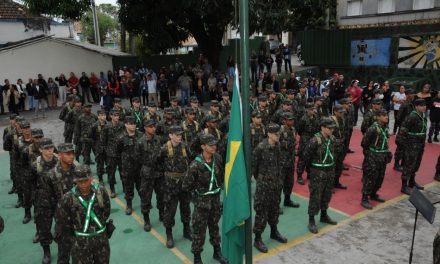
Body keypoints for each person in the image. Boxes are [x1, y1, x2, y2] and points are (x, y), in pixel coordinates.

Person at [183, 134, 228, 264]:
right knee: (199, 232)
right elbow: (186, 186)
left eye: (215, 144)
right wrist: (197, 199)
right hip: (201, 205)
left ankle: (217, 252)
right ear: (203, 147)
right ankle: (197, 258)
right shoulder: (195, 165)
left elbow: (222, 176)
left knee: (215, 228)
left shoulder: (218, 158)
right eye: (211, 145)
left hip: (215, 201)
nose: (214, 147)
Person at [55, 164, 111, 264]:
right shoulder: (68, 198)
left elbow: (106, 211)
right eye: (80, 181)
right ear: (75, 181)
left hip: (101, 241)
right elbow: (63, 222)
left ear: (91, 178)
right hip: (80, 244)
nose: (83, 184)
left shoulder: (100, 191)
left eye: (86, 180)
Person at [252, 123, 287, 253]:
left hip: (276, 185)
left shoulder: (278, 146)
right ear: (269, 134)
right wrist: (262, 180)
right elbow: (253, 168)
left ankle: (274, 231)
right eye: (276, 134)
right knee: (261, 212)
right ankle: (258, 238)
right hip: (264, 186)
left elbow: (279, 164)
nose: (279, 136)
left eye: (279, 134)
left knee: (274, 209)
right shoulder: (260, 148)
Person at [158, 125, 192, 248]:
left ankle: (187, 230)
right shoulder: (164, 149)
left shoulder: (185, 147)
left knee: (186, 208)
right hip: (170, 186)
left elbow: (191, 159)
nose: (180, 137)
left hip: (184, 184)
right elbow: (158, 162)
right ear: (170, 135)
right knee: (170, 211)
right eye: (177, 135)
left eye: (181, 135)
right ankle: (169, 235)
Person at [304, 118, 338, 234]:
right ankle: (311, 220)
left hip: (329, 170)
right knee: (316, 196)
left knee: (326, 194)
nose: (332, 130)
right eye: (329, 128)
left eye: (332, 128)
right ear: (322, 128)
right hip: (318, 172)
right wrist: (313, 171)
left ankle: (324, 215)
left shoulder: (332, 139)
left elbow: (334, 153)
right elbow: (306, 156)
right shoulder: (315, 140)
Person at [45, 143, 77, 264]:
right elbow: (48, 202)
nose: (71, 156)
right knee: (64, 256)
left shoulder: (79, 172)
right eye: (67, 154)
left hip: (81, 220)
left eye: (72, 153)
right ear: (59, 155)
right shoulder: (51, 176)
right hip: (63, 224)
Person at [32, 138, 58, 264]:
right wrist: (35, 202)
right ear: (40, 149)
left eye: (51, 148)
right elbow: (30, 184)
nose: (50, 150)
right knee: (44, 228)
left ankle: (64, 247)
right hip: (43, 202)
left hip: (60, 200)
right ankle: (46, 252)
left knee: (64, 226)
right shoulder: (35, 165)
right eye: (46, 148)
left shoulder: (60, 162)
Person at [360, 110, 392, 209]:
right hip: (373, 157)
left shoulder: (385, 128)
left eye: (387, 115)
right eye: (384, 115)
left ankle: (373, 194)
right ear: (378, 117)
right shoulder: (373, 128)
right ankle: (364, 198)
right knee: (370, 177)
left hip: (382, 157)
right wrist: (370, 154)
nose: (386, 117)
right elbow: (364, 143)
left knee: (380, 177)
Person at [137, 119, 164, 231]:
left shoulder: (159, 139)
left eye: (154, 126)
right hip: (147, 174)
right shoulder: (140, 142)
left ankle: (162, 214)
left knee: (162, 196)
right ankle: (146, 219)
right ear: (145, 128)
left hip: (159, 173)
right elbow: (137, 158)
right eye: (150, 126)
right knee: (145, 197)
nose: (153, 128)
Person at [399, 99, 428, 195]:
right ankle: (404, 186)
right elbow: (403, 130)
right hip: (412, 143)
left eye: (425, 105)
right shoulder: (412, 116)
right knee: (409, 164)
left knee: (416, 163)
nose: (424, 107)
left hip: (420, 143)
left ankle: (412, 182)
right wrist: (406, 143)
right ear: (416, 106)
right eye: (422, 105)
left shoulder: (423, 115)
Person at [117, 116, 143, 215]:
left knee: (142, 187)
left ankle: (144, 202)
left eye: (134, 123)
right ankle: (129, 205)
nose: (133, 125)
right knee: (128, 187)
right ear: (126, 125)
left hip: (139, 167)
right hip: (127, 168)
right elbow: (118, 151)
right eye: (130, 123)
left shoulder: (140, 135)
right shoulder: (121, 137)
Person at [279, 112, 300, 208]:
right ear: (284, 120)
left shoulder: (293, 129)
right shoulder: (280, 130)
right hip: (282, 161)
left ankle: (287, 200)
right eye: (289, 120)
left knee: (289, 182)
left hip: (290, 160)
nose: (292, 121)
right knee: (279, 184)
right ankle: (276, 204)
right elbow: (276, 144)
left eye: (292, 119)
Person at [103, 109, 125, 197]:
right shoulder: (107, 127)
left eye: (118, 115)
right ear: (111, 116)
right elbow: (103, 141)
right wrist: (106, 152)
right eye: (115, 115)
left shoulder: (122, 125)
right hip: (111, 154)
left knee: (123, 172)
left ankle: (125, 188)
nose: (117, 117)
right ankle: (112, 190)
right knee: (111, 173)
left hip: (121, 153)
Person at [296, 103, 319, 185]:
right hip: (305, 141)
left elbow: (317, 128)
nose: (313, 111)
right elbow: (299, 130)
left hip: (313, 140)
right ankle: (299, 175)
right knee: (302, 159)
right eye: (311, 109)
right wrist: (305, 137)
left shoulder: (316, 117)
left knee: (312, 158)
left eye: (313, 109)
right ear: (307, 110)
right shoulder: (303, 119)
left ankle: (309, 174)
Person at [331, 105, 348, 190]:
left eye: (342, 112)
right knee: (332, 166)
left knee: (339, 165)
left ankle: (336, 182)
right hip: (334, 146)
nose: (342, 113)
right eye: (340, 112)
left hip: (341, 145)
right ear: (335, 112)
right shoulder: (331, 120)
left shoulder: (342, 119)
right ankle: (330, 185)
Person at [91, 109, 108, 183]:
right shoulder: (94, 125)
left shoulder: (108, 124)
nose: (103, 117)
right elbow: (91, 136)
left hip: (108, 148)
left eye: (104, 115)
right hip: (99, 148)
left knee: (109, 164)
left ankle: (111, 179)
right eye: (101, 115)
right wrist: (96, 145)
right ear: (98, 116)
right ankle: (100, 179)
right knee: (100, 164)